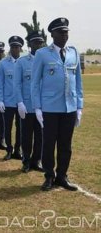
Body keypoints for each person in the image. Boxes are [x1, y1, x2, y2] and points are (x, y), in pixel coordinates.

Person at [31, 17, 83, 191]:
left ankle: (62, 176)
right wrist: (37, 107)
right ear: (52, 34)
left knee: (65, 145)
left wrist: (79, 106)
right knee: (48, 144)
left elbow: (78, 81)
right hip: (50, 108)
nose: (64, 35)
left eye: (66, 31)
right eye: (60, 31)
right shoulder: (42, 54)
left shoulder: (73, 52)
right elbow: (35, 83)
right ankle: (48, 176)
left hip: (69, 107)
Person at [14, 31, 44, 173]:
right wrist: (20, 102)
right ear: (29, 44)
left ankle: (36, 161)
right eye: (35, 42)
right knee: (26, 136)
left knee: (41, 136)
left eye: (40, 42)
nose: (38, 45)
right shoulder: (22, 62)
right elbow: (17, 84)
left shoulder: (45, 59)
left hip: (43, 106)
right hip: (27, 106)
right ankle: (26, 161)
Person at [0, 36, 23, 160]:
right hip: (8, 101)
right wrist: (0, 100)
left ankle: (18, 149)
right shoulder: (3, 63)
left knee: (21, 127)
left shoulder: (24, 62)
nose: (15, 49)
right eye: (12, 47)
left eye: (17, 47)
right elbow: (0, 83)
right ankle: (9, 149)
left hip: (21, 102)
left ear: (21, 48)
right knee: (7, 127)